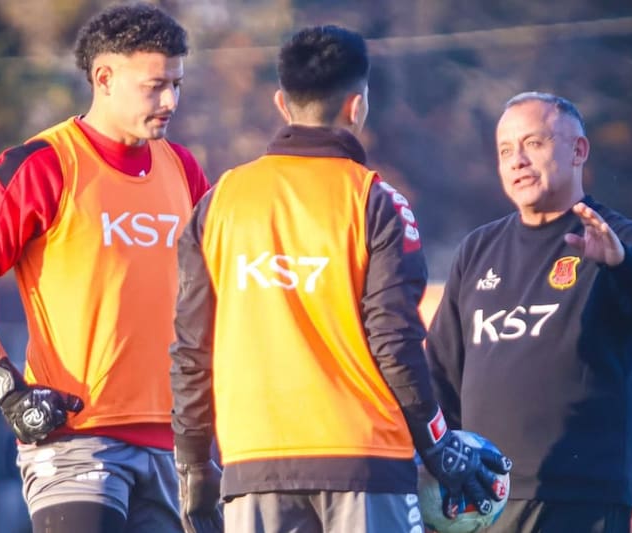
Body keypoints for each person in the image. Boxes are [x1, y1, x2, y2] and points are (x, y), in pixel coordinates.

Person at [169, 24, 511, 533]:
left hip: (252, 465)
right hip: (364, 461)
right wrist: (437, 443)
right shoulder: (378, 201)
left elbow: (192, 348)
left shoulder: (219, 203)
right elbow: (395, 341)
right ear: (357, 106)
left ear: (282, 104)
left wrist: (194, 465)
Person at [0, 3, 210, 532]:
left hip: (176, 445)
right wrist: (8, 390)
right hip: (76, 441)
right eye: (155, 86)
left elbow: (222, 287)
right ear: (104, 78)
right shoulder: (43, 164)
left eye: (177, 83)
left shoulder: (184, 168)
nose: (171, 100)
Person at [424, 91, 632, 533]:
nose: (517, 160)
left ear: (578, 151)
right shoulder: (477, 250)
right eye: (504, 150)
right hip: (483, 499)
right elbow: (440, 373)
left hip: (579, 497)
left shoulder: (615, 237)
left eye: (533, 143)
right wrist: (439, 465)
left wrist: (623, 262)